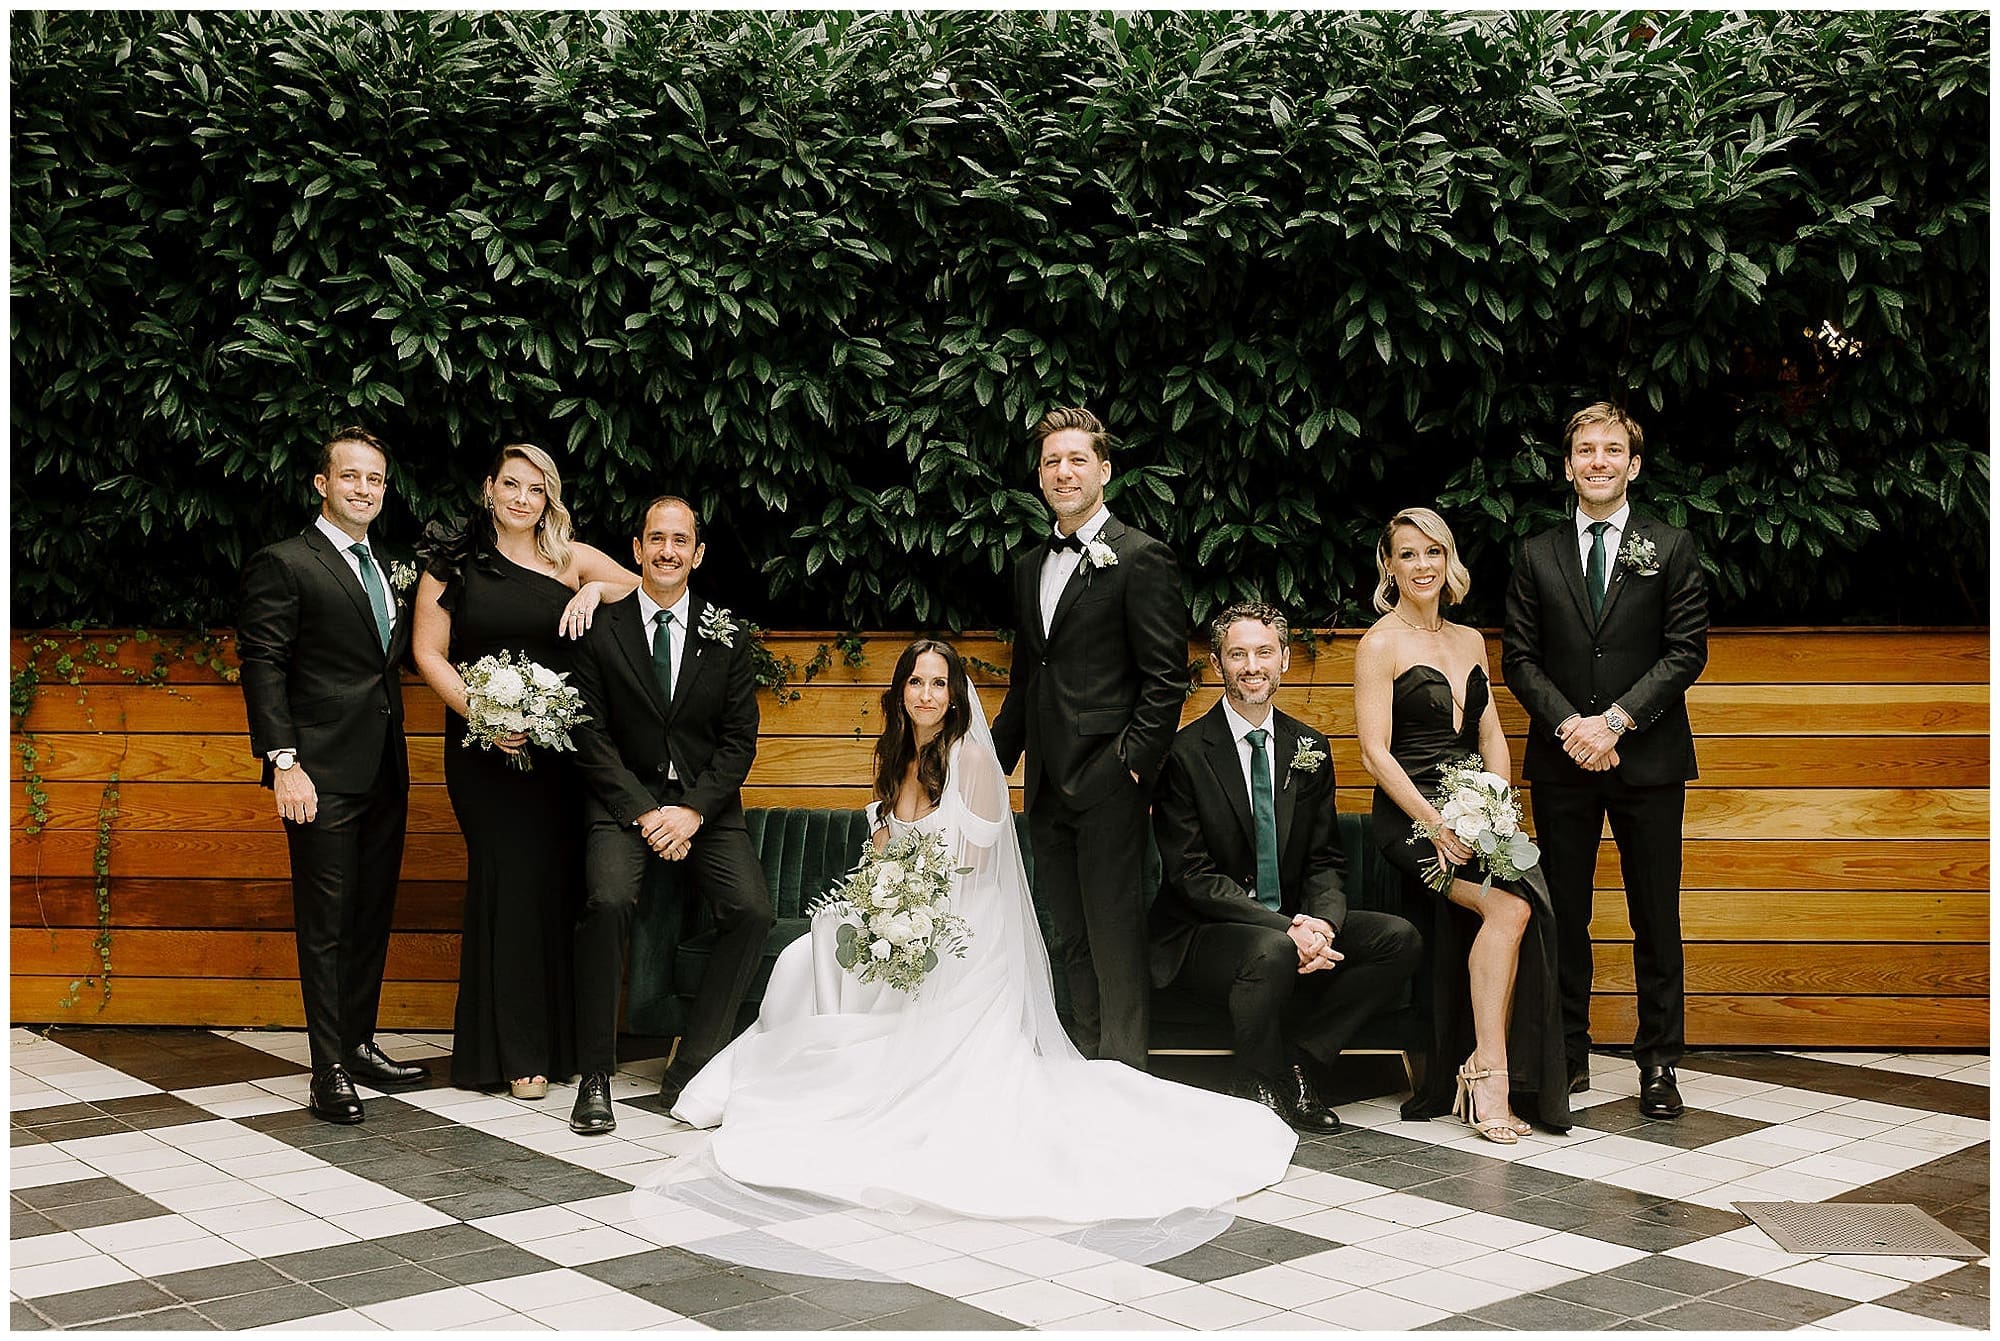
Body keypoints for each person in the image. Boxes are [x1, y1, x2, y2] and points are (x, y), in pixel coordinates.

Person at [647, 639, 1294, 1275]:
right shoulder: (894, 753)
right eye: (915, 682)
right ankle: (804, 1068)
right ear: (900, 692)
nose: (927, 694)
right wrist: (879, 896)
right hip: (900, 911)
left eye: (938, 682)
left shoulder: (972, 760)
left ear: (954, 694)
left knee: (848, 973)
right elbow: (884, 842)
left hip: (958, 926)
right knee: (803, 951)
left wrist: (909, 918)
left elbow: (973, 866)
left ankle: (850, 1074)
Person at [410, 443, 639, 1099]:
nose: (520, 498)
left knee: (554, 888)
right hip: (484, 753)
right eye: (509, 485)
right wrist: (482, 710)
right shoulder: (452, 562)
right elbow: (429, 652)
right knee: (507, 885)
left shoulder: (568, 557)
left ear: (549, 499)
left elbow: (641, 587)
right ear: (489, 488)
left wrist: (594, 586)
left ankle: (560, 1044)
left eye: (534, 490)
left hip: (560, 759)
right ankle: (515, 1051)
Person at [1502, 402, 1709, 1120]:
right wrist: (1573, 727)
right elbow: (1520, 659)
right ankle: (1568, 1050)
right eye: (1584, 450)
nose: (1597, 460)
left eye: (1611, 449)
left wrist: (1616, 721)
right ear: (1567, 466)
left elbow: (1687, 649)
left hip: (1648, 760)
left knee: (1656, 913)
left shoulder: (1671, 544)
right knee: (1566, 913)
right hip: (1564, 763)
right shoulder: (1536, 553)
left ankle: (1659, 1059)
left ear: (1633, 464)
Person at [1152, 603, 1422, 1134]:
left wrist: (1322, 925)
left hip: (1294, 924)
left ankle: (1301, 1061)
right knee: (1273, 948)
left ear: (1284, 662)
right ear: (1216, 664)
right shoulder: (1184, 754)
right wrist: (1287, 929)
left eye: (1263, 653)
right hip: (1205, 934)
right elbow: (1193, 876)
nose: (1251, 665)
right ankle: (1257, 1082)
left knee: (1401, 938)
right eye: (1237, 654)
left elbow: (1324, 859)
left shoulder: (1310, 747)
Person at [1355, 507, 1571, 1141]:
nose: (1422, 566)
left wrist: (1496, 805)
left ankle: (1484, 1062)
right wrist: (1435, 823)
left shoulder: (1471, 640)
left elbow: (1492, 734)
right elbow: (1375, 753)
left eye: (1433, 553)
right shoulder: (1379, 643)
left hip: (1476, 811)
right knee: (1509, 909)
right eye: (1408, 554)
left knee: (1525, 906)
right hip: (1411, 819)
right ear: (1389, 566)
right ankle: (1488, 1074)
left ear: (1449, 562)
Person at [562, 495, 774, 1136]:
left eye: (680, 541)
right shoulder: (602, 627)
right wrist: (646, 813)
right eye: (656, 538)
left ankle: (696, 1064)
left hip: (704, 809)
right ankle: (595, 1075)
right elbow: (588, 733)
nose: (667, 551)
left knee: (752, 911)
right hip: (623, 804)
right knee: (607, 902)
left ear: (698, 554)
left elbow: (739, 741)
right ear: (637, 548)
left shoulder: (728, 634)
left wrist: (690, 814)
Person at [238, 426, 429, 1124]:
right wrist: (283, 763)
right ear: (323, 484)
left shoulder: (384, 567)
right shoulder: (285, 562)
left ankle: (359, 1041)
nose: (363, 488)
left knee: (370, 915)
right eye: (350, 476)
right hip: (318, 774)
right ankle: (327, 1072)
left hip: (383, 770)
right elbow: (263, 665)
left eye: (374, 479)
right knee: (324, 925)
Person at [992, 406, 1186, 1069]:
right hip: (1045, 787)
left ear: (1104, 470)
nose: (1063, 470)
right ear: (1040, 477)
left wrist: (1130, 767)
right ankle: (1082, 1070)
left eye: (1077, 459)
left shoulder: (1141, 557)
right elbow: (1027, 681)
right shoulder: (1027, 568)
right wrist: (986, 765)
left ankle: (1126, 1079)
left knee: (1114, 940)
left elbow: (1166, 679)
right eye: (1051, 461)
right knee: (1069, 938)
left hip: (1109, 783)